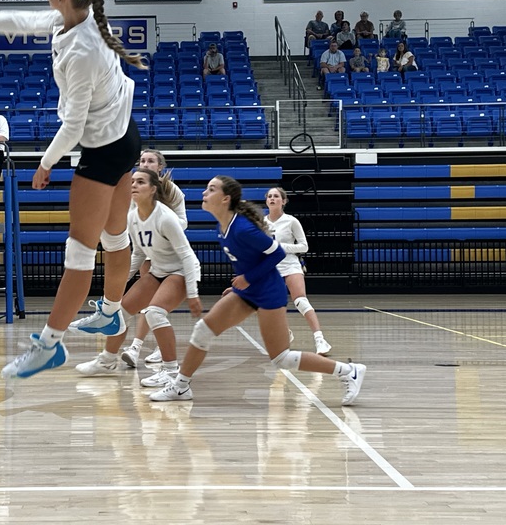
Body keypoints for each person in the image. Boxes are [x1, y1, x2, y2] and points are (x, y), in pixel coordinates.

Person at [0, 0, 143, 379]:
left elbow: (73, 126)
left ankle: (49, 345)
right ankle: (112, 311)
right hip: (126, 137)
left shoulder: (84, 50)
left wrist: (46, 163)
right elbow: (18, 18)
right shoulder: (71, 19)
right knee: (115, 236)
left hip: (103, 149)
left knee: (80, 252)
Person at [148, 176, 365, 405]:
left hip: (268, 293)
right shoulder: (222, 226)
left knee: (281, 358)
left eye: (210, 189)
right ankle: (181, 386)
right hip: (248, 292)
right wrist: (238, 285)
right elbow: (248, 261)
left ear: (225, 199)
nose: (204, 193)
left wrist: (248, 278)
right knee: (203, 331)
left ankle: (348, 371)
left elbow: (278, 254)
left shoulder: (242, 229)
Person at [70, 168, 202, 390]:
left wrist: (193, 293)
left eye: (140, 182)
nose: (133, 185)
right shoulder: (132, 217)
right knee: (119, 314)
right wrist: (116, 288)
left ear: (152, 190)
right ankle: (107, 361)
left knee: (154, 312)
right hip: (158, 271)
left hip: (180, 271)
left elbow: (188, 255)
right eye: (132, 181)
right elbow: (139, 254)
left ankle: (171, 371)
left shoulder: (166, 218)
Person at [121, 149, 186, 369]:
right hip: (148, 254)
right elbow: (134, 229)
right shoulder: (135, 191)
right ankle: (137, 347)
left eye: (151, 161)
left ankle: (145, 348)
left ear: (160, 167)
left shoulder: (172, 190)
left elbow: (183, 222)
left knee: (156, 308)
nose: (146, 163)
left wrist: (161, 227)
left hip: (170, 254)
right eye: (142, 160)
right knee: (147, 305)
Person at [264, 187, 331, 356]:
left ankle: (320, 339)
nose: (272, 199)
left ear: (283, 201)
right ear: (266, 201)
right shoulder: (261, 223)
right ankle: (285, 334)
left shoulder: (291, 221)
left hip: (290, 264)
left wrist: (283, 247)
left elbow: (304, 246)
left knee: (301, 300)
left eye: (276, 196)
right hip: (271, 267)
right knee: (269, 307)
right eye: (269, 196)